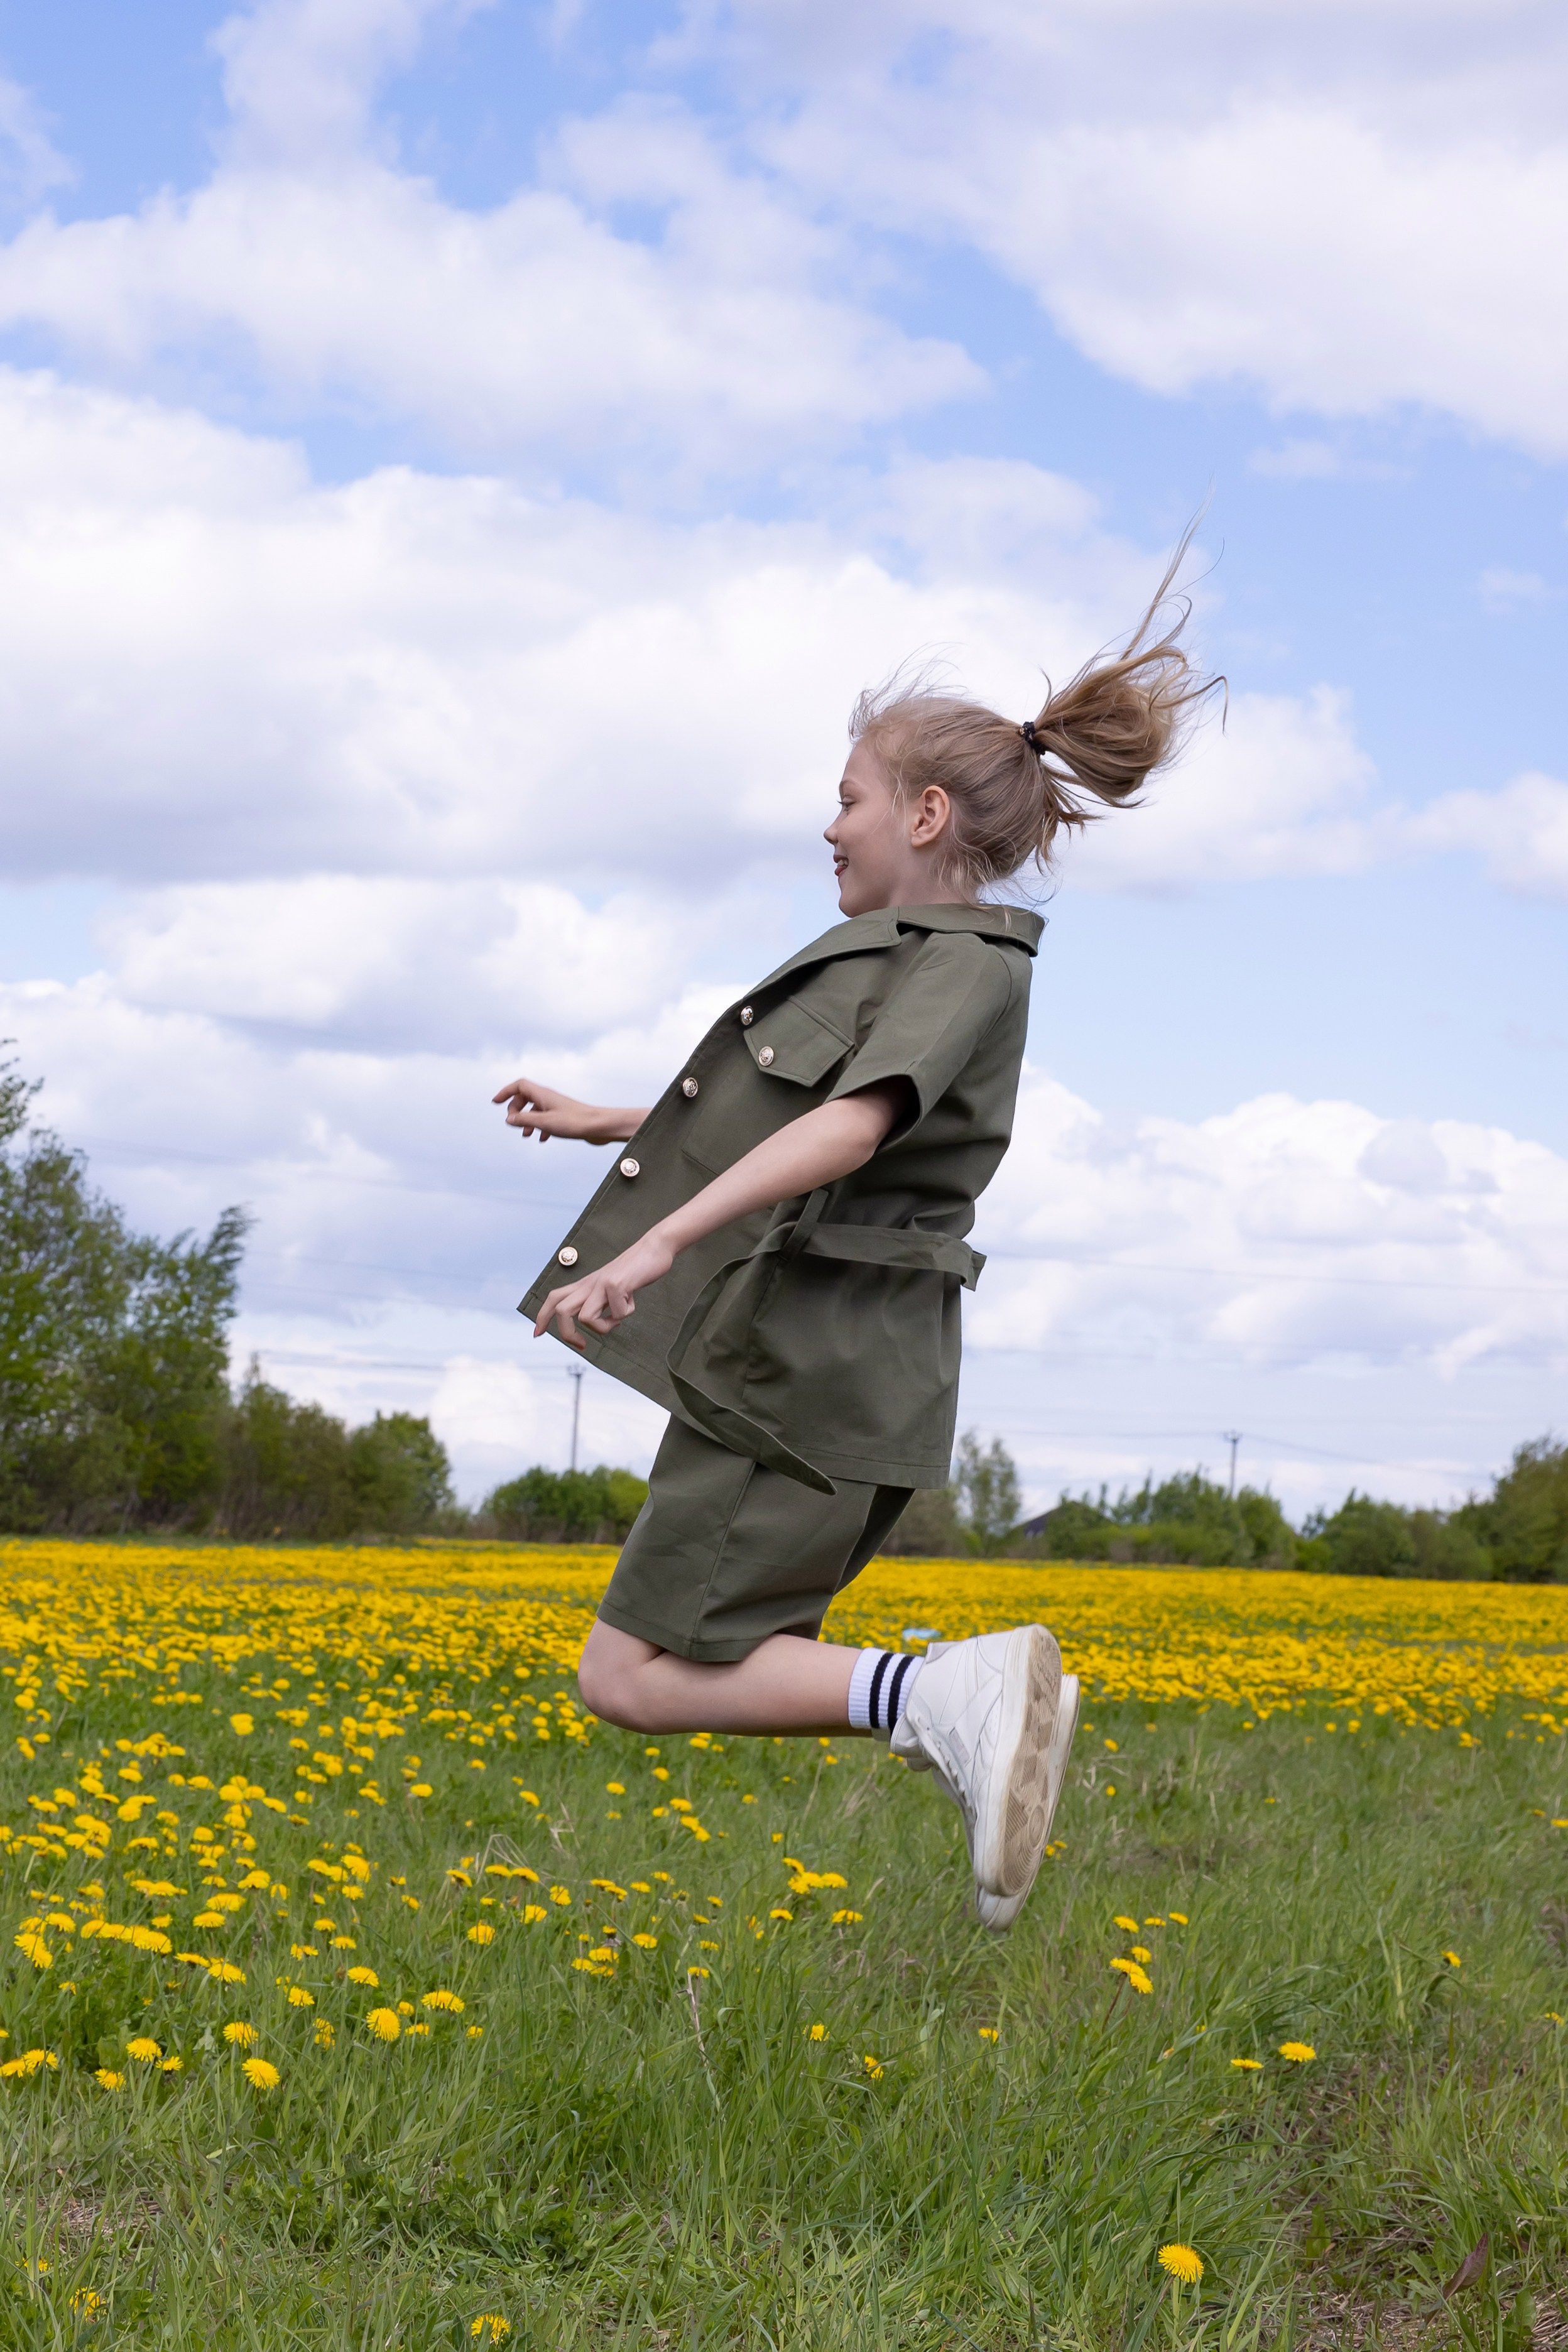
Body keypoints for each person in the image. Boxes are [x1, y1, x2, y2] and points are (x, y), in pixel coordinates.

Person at [495, 562, 1212, 1932]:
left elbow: (851, 1125)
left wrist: (655, 1247)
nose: (829, 827)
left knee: (629, 1674)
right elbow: (797, 1111)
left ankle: (949, 1694)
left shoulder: (963, 962)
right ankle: (957, 1708)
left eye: (849, 799)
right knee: (671, 1664)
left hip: (806, 1356)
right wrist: (613, 1120)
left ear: (925, 814)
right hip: (820, 1355)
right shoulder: (917, 957)